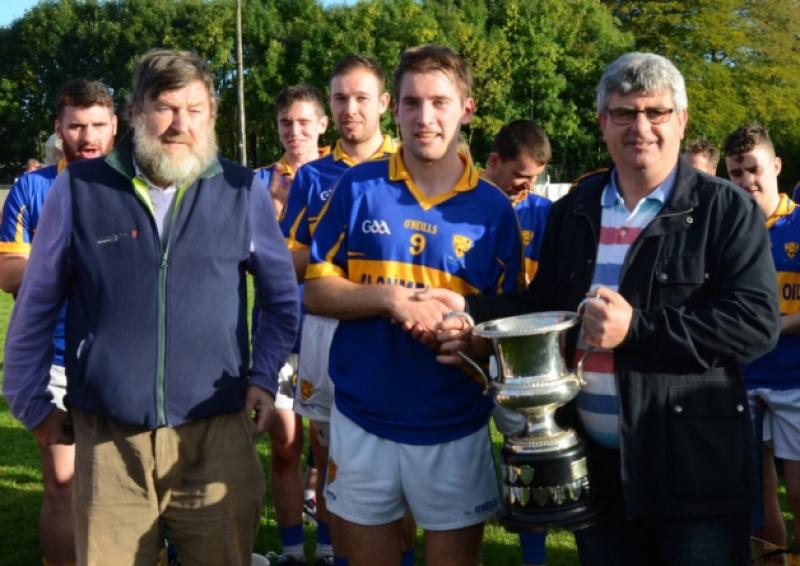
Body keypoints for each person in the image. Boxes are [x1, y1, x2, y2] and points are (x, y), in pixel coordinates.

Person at [432, 52, 780, 566]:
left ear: (681, 120)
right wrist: (469, 310)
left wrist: (635, 329)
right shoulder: (574, 208)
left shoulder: (725, 208)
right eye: (624, 113)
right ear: (603, 123)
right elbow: (543, 305)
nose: (640, 126)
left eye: (655, 112)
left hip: (693, 472)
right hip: (595, 468)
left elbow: (755, 324)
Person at [3, 49, 299, 566]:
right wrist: (29, 402)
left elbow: (280, 297)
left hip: (216, 435)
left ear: (211, 115)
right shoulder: (79, 189)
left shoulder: (240, 189)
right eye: (165, 107)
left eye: (195, 109)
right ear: (137, 111)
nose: (180, 124)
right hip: (110, 441)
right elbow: (37, 301)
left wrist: (264, 375)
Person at [304, 44, 522, 566]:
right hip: (361, 418)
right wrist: (389, 300)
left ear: (467, 108)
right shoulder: (359, 186)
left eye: (440, 103)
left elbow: (511, 328)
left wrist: (468, 334)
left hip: (455, 424)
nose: (425, 119)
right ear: (394, 108)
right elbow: (314, 290)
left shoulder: (494, 210)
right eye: (412, 103)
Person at [277, 54, 396, 566]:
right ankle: (328, 548)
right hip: (325, 327)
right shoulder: (313, 176)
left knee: (388, 455)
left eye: (361, 98)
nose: (350, 109)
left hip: (393, 331)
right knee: (330, 451)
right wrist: (336, 259)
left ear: (384, 104)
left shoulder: (407, 165)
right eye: (341, 99)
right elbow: (291, 259)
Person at [0, 78, 117, 566]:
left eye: (96, 125)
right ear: (58, 128)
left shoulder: (137, 186)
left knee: (125, 489)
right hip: (57, 358)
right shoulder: (33, 187)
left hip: (121, 358)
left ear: (115, 125)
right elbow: (8, 272)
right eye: (75, 126)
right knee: (62, 487)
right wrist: (83, 269)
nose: (87, 137)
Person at [256, 84, 330, 565]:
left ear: (322, 125)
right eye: (287, 123)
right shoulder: (257, 181)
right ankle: (290, 553)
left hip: (327, 330)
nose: (295, 132)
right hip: (277, 333)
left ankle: (325, 547)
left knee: (328, 454)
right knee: (285, 448)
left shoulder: (342, 174)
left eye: (305, 122)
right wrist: (275, 211)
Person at [724, 123, 800, 551]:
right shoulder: (728, 230)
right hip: (744, 379)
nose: (746, 181)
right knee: (754, 500)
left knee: (799, 494)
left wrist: (772, 327)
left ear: (775, 165)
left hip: (794, 378)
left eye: (753, 169)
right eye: (736, 173)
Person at [482, 119, 552, 566]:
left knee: (526, 451)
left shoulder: (541, 211)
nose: (526, 188)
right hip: (459, 348)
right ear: (493, 162)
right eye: (520, 177)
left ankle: (534, 556)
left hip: (516, 353)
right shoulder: (463, 202)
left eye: (533, 180)